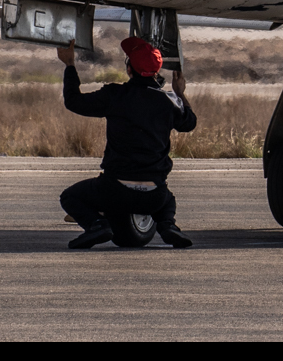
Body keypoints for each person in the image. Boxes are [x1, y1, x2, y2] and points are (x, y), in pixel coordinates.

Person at [56, 36, 197, 249]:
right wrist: (180, 93)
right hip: (154, 195)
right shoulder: (169, 101)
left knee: (69, 197)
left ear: (129, 69)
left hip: (115, 191)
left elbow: (74, 101)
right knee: (167, 198)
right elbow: (190, 123)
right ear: (156, 72)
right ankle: (168, 225)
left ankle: (97, 225)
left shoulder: (115, 96)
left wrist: (69, 65)